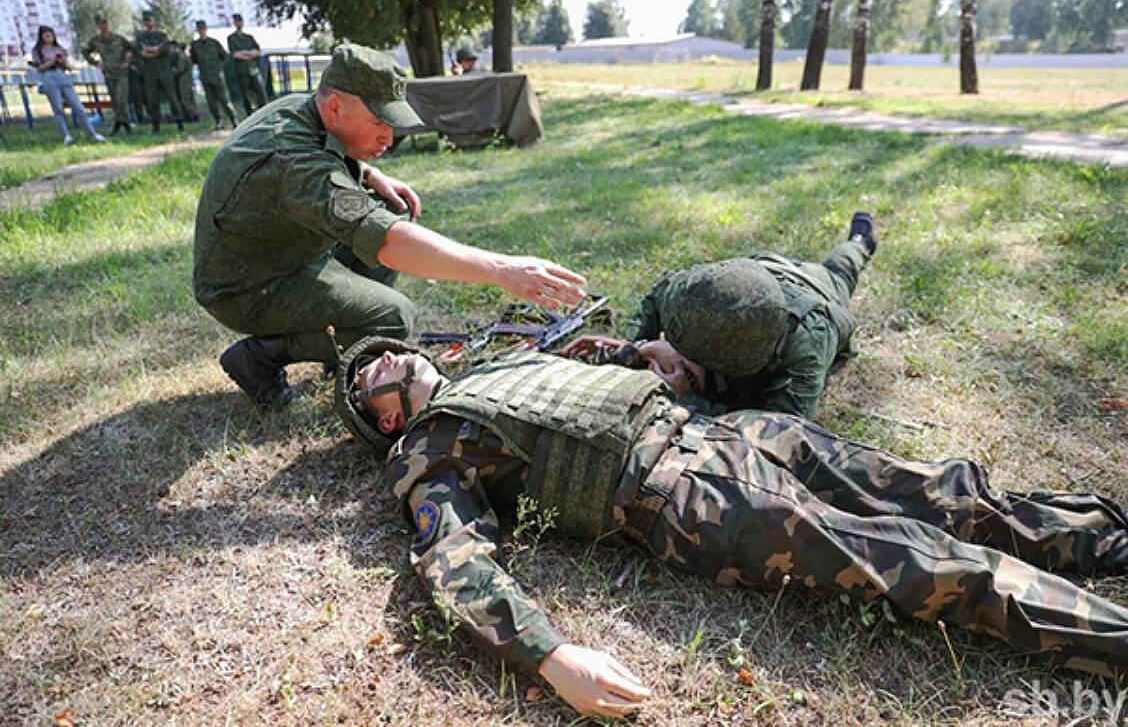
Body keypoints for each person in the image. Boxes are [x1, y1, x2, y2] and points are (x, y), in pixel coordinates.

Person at [337, 340, 1128, 719]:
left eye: (385, 351)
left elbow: (594, 377)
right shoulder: (426, 451)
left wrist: (637, 353)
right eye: (368, 376)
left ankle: (1111, 538)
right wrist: (548, 655)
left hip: (732, 431)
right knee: (934, 564)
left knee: (952, 496)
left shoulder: (501, 363)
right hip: (687, 496)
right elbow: (455, 559)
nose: (383, 359)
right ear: (385, 418)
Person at [193, 43, 587, 407]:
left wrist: (367, 172)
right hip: (248, 287)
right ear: (335, 108)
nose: (390, 135)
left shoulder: (304, 110)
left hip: (281, 250)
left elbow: (321, 158)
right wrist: (502, 270)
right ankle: (260, 358)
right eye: (379, 121)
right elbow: (385, 240)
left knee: (387, 205)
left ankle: (344, 345)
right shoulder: (294, 162)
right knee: (392, 318)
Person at [564, 212, 877, 419]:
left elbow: (780, 433)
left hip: (820, 289)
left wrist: (685, 398)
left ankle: (861, 241)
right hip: (763, 273)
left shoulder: (806, 348)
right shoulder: (701, 290)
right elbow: (660, 293)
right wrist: (631, 343)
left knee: (841, 268)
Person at [29, 25, 106, 145]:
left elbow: (68, 64)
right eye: (46, 35)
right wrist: (52, 61)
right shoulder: (37, 51)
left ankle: (92, 132)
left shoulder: (59, 48)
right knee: (58, 108)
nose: (49, 37)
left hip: (62, 75)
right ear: (41, 37)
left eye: (51, 35)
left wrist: (64, 62)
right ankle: (66, 135)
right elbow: (39, 68)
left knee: (77, 106)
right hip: (49, 76)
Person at [133, 10, 184, 133]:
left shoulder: (162, 34)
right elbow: (140, 52)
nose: (148, 22)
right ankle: (156, 125)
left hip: (164, 72)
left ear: (154, 20)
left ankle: (179, 122)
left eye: (149, 20)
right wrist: (155, 50)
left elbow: (165, 49)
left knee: (172, 98)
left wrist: (152, 51)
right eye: (146, 20)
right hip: (150, 73)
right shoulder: (141, 36)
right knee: (152, 100)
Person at [81, 15, 133, 136]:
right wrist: (96, 63)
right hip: (109, 73)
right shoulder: (95, 41)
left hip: (121, 73)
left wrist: (127, 62)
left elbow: (130, 49)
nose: (104, 26)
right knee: (114, 100)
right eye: (101, 24)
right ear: (97, 26)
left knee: (122, 99)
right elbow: (85, 51)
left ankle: (122, 123)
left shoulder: (119, 38)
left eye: (105, 23)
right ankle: (122, 124)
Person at [189, 20, 237, 130]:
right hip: (205, 77)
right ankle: (218, 122)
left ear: (206, 29)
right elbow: (193, 59)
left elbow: (224, 56)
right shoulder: (195, 45)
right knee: (211, 102)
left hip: (217, 76)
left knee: (224, 100)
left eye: (203, 29)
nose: (201, 31)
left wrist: (217, 67)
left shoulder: (214, 43)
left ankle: (234, 121)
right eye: (199, 29)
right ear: (197, 30)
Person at [227, 13, 266, 115]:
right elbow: (235, 54)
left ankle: (264, 113)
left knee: (261, 93)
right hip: (242, 71)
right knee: (245, 96)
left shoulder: (249, 38)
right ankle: (250, 115)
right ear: (234, 23)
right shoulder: (232, 38)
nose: (239, 23)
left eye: (240, 21)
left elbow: (257, 52)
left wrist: (245, 53)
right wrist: (249, 53)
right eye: (237, 21)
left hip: (253, 70)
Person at [170, 41, 199, 122]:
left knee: (185, 98)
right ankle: (194, 114)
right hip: (188, 80)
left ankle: (191, 116)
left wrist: (173, 71)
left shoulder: (182, 57)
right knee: (190, 98)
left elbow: (180, 69)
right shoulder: (187, 56)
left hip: (184, 81)